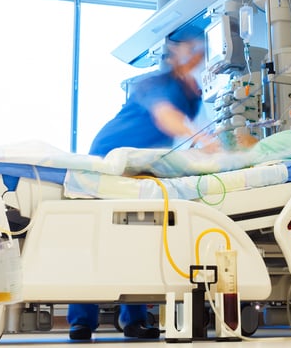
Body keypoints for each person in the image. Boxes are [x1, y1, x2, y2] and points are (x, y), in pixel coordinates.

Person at [68, 35, 209, 342]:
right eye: (187, 47)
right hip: (110, 157)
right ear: (171, 56)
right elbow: (167, 117)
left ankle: (134, 321)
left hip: (144, 168)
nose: (194, 50)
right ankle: (81, 322)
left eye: (197, 48)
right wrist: (202, 139)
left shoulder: (192, 93)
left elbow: (179, 124)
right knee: (95, 237)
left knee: (136, 239)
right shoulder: (154, 83)